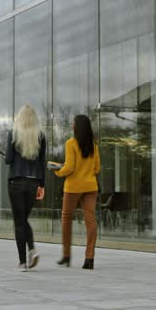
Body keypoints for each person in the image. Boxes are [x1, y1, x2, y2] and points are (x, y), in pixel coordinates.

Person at [53, 115, 101, 270]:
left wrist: (57, 170)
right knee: (90, 220)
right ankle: (89, 258)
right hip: (90, 186)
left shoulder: (70, 143)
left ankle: (66, 256)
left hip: (73, 187)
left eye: (73, 122)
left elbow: (69, 168)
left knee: (67, 218)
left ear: (77, 126)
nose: (71, 124)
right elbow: (97, 169)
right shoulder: (94, 145)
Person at [5, 105, 46, 272]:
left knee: (19, 221)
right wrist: (42, 185)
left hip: (16, 182)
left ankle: (23, 262)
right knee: (23, 219)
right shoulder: (41, 136)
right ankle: (32, 250)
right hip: (33, 183)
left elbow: (8, 159)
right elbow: (42, 162)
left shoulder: (13, 134)